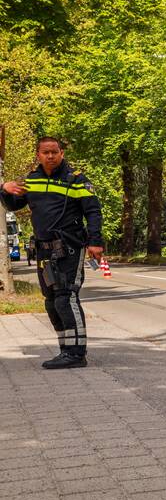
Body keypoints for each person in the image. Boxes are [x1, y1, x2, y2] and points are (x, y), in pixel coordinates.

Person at [0, 137, 104, 369]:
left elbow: (94, 212)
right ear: (38, 155)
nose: (50, 156)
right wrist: (4, 189)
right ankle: (65, 349)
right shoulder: (32, 180)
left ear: (61, 154)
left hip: (70, 247)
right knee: (51, 302)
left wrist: (95, 242)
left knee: (66, 297)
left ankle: (77, 354)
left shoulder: (76, 180)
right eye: (45, 152)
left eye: (54, 152)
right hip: (44, 250)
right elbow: (13, 205)